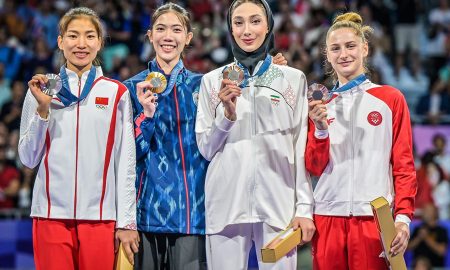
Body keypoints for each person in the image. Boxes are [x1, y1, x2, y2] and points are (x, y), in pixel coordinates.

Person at [123, 3, 287, 269]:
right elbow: (128, 157)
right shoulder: (131, 89)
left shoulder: (206, 84)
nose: (168, 36)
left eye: (176, 29)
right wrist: (146, 116)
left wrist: (273, 70)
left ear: (188, 37)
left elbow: (249, 85)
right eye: (161, 29)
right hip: (145, 216)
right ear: (150, 35)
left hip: (194, 215)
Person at [195, 0, 315, 269]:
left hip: (279, 207)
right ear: (230, 28)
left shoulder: (292, 79)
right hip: (226, 207)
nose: (246, 30)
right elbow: (205, 148)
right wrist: (226, 116)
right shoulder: (213, 81)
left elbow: (300, 147)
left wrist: (304, 209)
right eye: (238, 22)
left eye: (255, 21)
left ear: (268, 25)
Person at [18, 7, 139, 270]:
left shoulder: (116, 93)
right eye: (73, 36)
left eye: (89, 36)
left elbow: (126, 163)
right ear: (60, 42)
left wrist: (127, 222)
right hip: (50, 215)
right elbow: (28, 159)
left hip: (100, 217)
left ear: (99, 43)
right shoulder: (41, 89)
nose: (81, 44)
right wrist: (42, 110)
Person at [306, 12, 417, 269]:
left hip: (373, 219)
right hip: (327, 217)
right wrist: (320, 130)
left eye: (350, 46)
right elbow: (312, 167)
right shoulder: (318, 105)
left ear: (365, 48)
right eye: (335, 48)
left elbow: (403, 165)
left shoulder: (390, 99)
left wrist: (403, 218)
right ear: (327, 55)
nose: (343, 54)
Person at [408, 204, 448, 268]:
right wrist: (419, 237)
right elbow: (408, 248)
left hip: (435, 266)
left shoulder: (441, 230)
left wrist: (426, 238)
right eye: (424, 210)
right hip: (418, 266)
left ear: (435, 213)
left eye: (428, 211)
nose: (425, 212)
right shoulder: (418, 229)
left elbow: (442, 251)